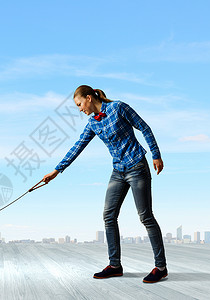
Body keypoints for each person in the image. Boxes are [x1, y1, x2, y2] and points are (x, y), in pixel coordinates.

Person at [43, 85, 167, 283]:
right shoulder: (93, 123)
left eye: (80, 104)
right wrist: (57, 171)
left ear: (89, 98)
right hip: (118, 171)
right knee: (108, 215)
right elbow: (77, 146)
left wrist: (156, 155)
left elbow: (144, 127)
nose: (80, 109)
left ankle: (161, 267)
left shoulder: (119, 108)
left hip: (137, 167)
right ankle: (114, 265)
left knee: (145, 216)